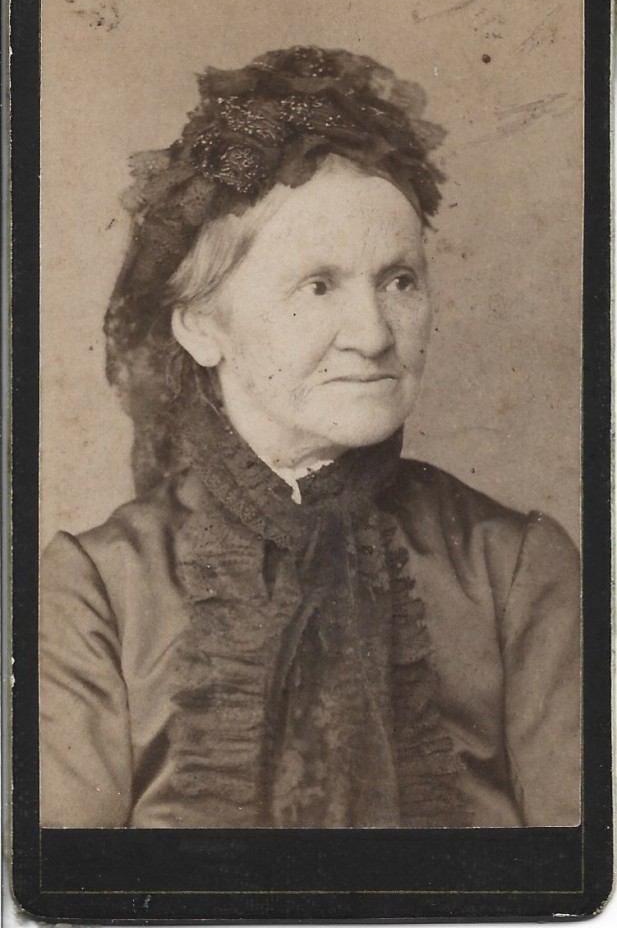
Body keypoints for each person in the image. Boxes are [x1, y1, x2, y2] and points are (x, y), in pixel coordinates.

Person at [40, 45, 581, 830]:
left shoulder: (512, 569)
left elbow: (582, 875)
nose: (373, 334)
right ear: (200, 326)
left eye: (399, 280)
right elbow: (64, 885)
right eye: (317, 286)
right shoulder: (101, 589)